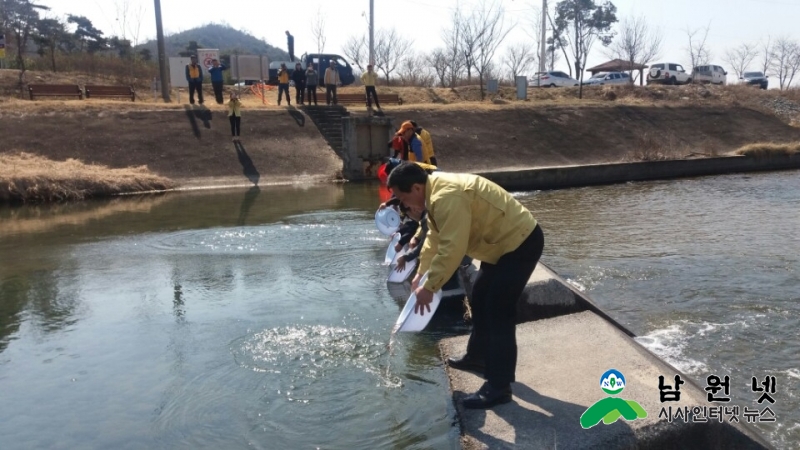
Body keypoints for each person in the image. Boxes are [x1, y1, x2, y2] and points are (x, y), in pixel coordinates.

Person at [386, 161, 545, 409]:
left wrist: (430, 287)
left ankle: (498, 387)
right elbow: (435, 239)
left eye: (402, 197)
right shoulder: (434, 195)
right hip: (499, 246)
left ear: (417, 188)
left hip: (519, 242)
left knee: (498, 311)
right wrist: (422, 271)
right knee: (480, 296)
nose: (403, 205)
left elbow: (453, 247)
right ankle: (478, 357)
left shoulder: (447, 195)